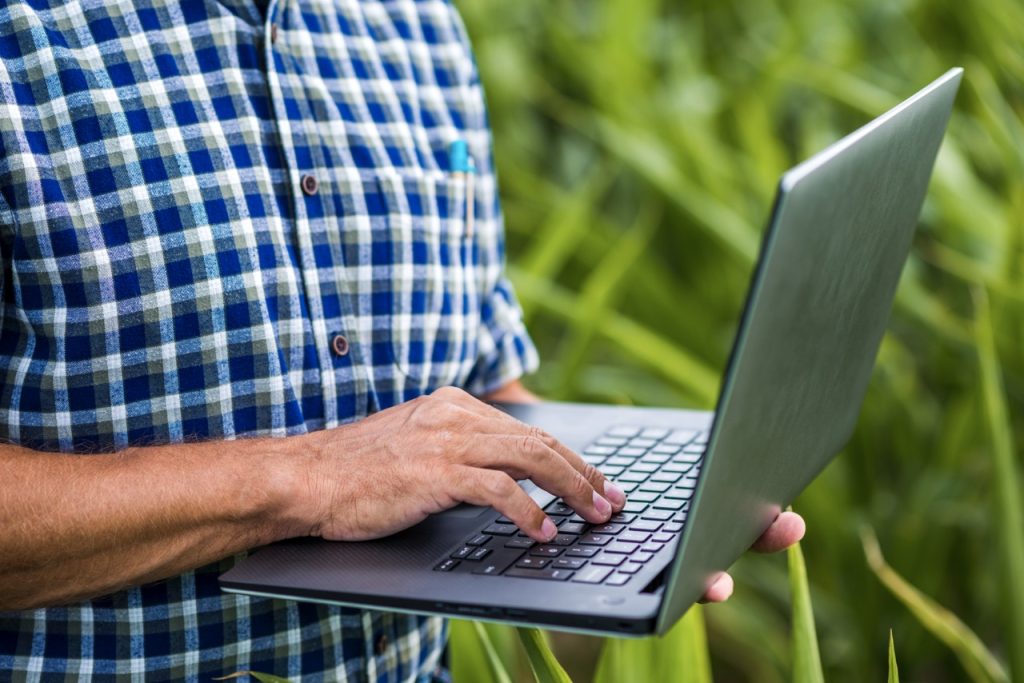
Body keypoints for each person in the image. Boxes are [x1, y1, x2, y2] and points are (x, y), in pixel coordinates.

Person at [0, 1, 805, 679]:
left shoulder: (418, 24)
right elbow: (360, 470)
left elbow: (483, 390)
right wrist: (313, 480)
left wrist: (627, 508)